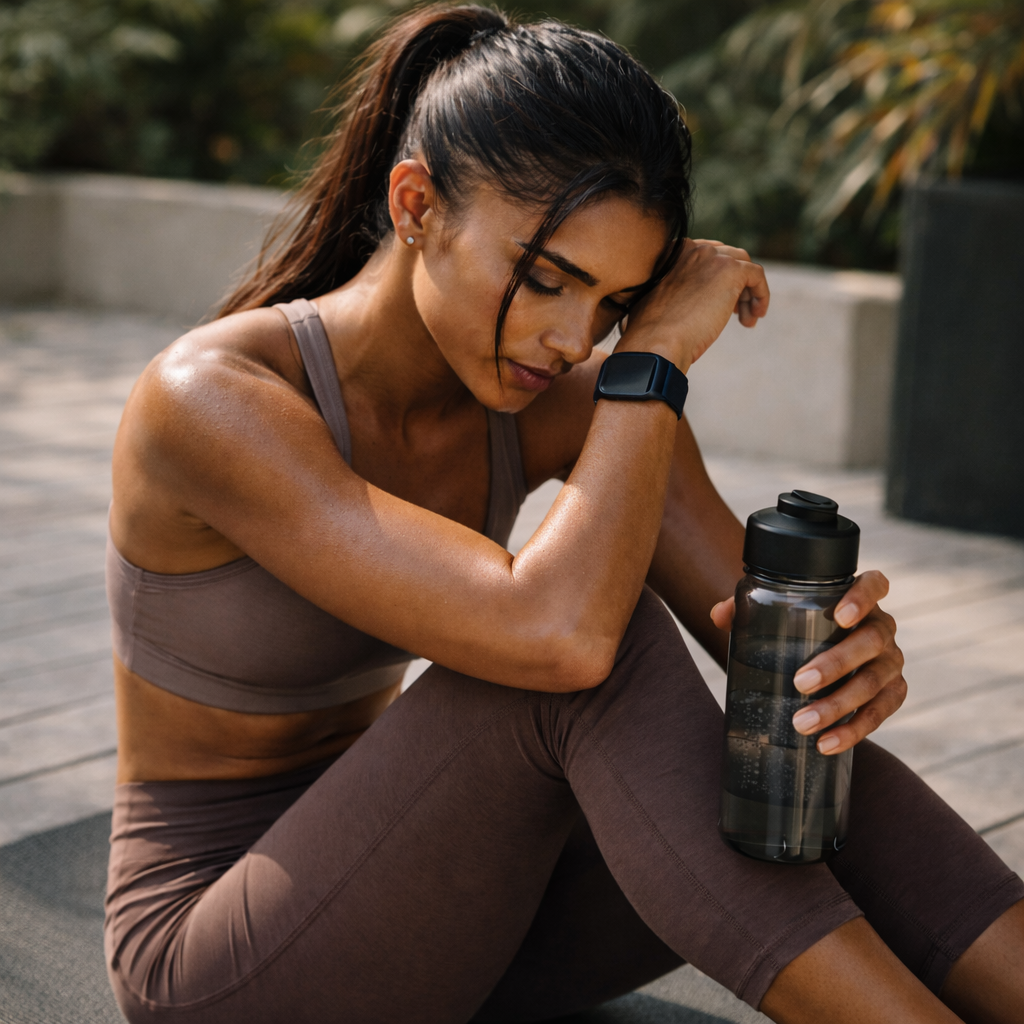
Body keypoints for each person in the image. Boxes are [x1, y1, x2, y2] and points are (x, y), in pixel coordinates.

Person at [103, 5, 1024, 1023]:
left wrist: (835, 664)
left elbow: (768, 657)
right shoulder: (210, 398)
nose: (571, 339)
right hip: (224, 957)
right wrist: (655, 356)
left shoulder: (563, 398)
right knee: (576, 645)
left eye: (615, 305)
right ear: (415, 204)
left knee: (794, 751)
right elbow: (561, 637)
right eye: (546, 279)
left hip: (450, 909)